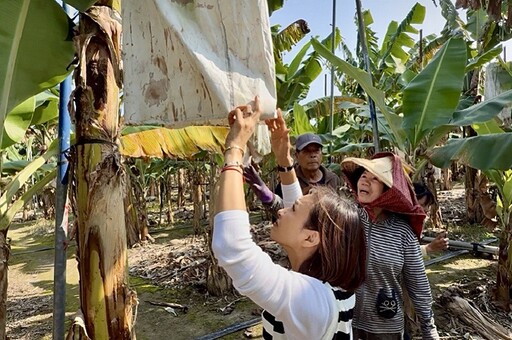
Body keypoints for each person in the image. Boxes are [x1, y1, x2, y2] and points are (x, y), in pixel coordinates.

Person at [212, 96, 367, 339]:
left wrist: (234, 149)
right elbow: (300, 212)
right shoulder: (330, 283)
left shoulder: (309, 299)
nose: (281, 210)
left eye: (291, 210)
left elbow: (232, 248)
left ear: (310, 238)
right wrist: (284, 159)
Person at [339, 154, 439, 339]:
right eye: (363, 175)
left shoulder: (403, 233)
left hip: (385, 327)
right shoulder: (346, 220)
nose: (365, 180)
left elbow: (418, 284)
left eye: (374, 178)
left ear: (388, 190)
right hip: (345, 323)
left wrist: (429, 329)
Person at [243, 132, 341, 219]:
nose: (313, 155)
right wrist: (268, 197)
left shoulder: (333, 179)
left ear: (321, 154)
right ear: (297, 155)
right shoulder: (288, 180)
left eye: (316, 151)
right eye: (306, 151)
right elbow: (282, 212)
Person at [413, 182, 449, 257]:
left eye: (428, 205)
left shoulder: (417, 224)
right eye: (422, 205)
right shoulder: (398, 226)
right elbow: (402, 255)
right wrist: (428, 248)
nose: (426, 209)